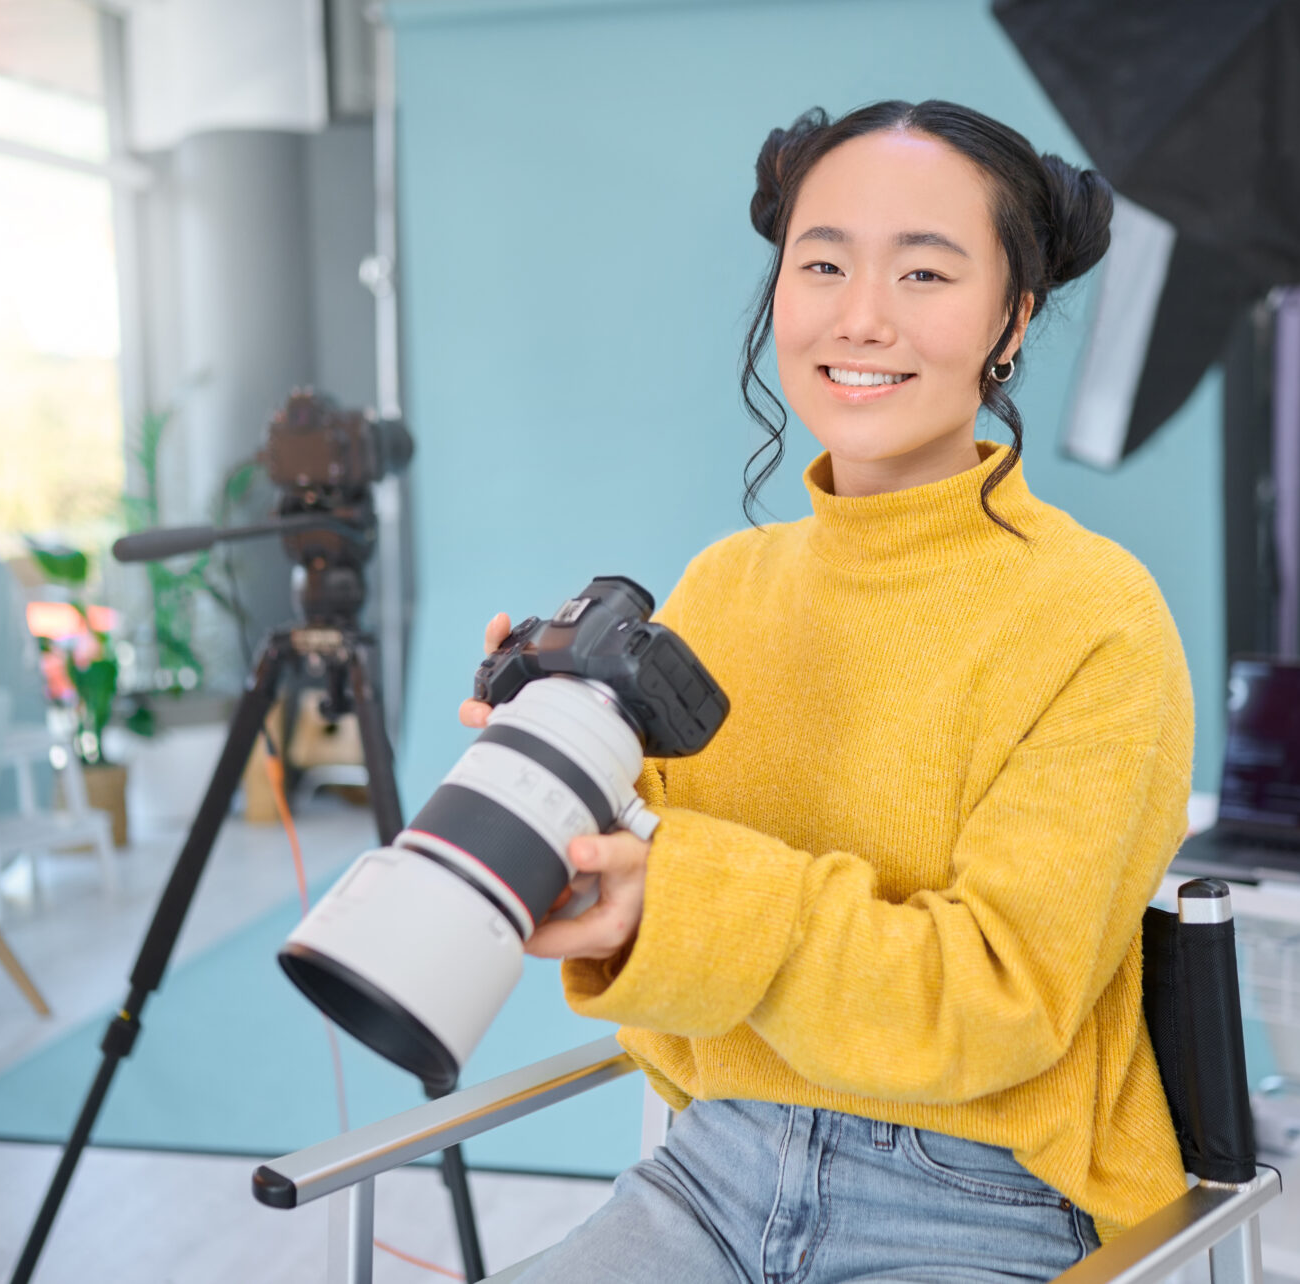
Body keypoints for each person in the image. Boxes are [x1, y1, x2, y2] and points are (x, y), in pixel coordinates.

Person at [461, 101, 1192, 1282]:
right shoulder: (724, 585)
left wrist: (684, 896)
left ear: (1014, 317)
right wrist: (559, 791)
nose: (862, 316)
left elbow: (1001, 1000)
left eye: (925, 271)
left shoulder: (1097, 616)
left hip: (984, 1202)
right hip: (713, 1170)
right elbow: (655, 918)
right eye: (824, 263)